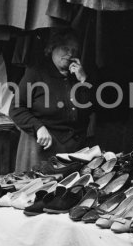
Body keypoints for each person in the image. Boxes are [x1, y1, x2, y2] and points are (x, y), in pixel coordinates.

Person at [9, 28, 92, 172]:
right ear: (52, 48)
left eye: (74, 50)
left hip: (73, 149)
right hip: (44, 147)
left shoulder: (77, 76)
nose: (70, 54)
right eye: (65, 48)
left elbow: (88, 112)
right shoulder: (36, 73)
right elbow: (16, 108)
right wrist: (38, 127)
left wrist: (83, 81)